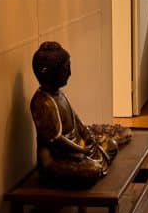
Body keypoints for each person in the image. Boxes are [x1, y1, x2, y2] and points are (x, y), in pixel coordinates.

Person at [29, 41, 129, 187]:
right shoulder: (42, 101)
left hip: (76, 150)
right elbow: (56, 140)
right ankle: (93, 166)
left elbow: (76, 120)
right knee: (93, 170)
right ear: (51, 73)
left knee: (111, 144)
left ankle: (93, 162)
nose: (69, 73)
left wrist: (88, 137)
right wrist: (81, 149)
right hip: (56, 159)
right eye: (65, 69)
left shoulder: (60, 95)